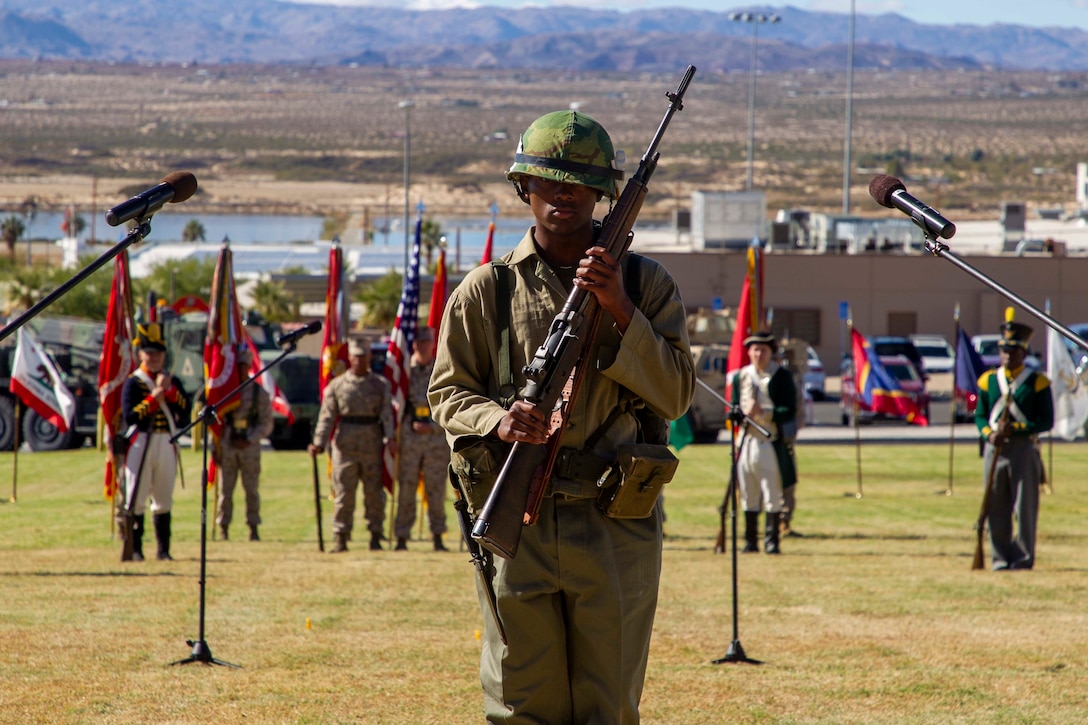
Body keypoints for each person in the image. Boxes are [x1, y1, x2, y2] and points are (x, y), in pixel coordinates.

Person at [429, 110, 695, 724]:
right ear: (525, 189)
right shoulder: (486, 289)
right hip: (517, 514)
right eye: (548, 183)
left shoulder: (645, 284)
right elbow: (446, 392)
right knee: (521, 702)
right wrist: (500, 420)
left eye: (576, 184)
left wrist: (619, 307)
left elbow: (677, 394)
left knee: (609, 703)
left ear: (602, 194)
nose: (562, 196)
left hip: (614, 521)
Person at [975, 312, 1053, 571]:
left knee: (1024, 507)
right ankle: (999, 557)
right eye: (1004, 350)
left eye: (1013, 350)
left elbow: (1045, 422)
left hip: (1023, 450)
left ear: (1023, 352)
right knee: (995, 506)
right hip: (995, 449)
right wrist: (989, 434)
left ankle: (1022, 557)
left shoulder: (1037, 383)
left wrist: (1016, 429)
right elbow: (980, 416)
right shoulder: (988, 381)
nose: (1008, 355)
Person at [308, 337, 395, 553]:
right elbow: (327, 416)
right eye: (356, 356)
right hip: (345, 445)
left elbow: (386, 414)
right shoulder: (337, 385)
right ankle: (341, 537)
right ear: (349, 358)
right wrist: (318, 442)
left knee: (374, 493)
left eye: (363, 356)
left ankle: (375, 534)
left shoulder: (380, 385)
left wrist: (391, 438)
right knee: (344, 493)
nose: (360, 360)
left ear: (369, 357)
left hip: (372, 444)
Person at [120, 322, 190, 561]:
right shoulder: (134, 382)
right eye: (149, 353)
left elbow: (186, 412)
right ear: (141, 354)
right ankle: (136, 549)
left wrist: (171, 394)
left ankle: (163, 550)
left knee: (163, 497)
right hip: (140, 442)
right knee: (137, 497)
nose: (154, 357)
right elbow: (130, 416)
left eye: (158, 353)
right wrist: (153, 398)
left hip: (166, 441)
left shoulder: (172, 381)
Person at [732, 331, 797, 555]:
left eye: (763, 350)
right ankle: (750, 540)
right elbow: (733, 409)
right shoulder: (741, 376)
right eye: (755, 349)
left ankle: (772, 541)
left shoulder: (781, 376)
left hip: (769, 441)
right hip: (745, 440)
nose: (759, 354)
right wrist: (740, 414)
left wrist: (765, 412)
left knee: (771, 493)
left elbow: (789, 410)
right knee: (748, 493)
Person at [393, 327, 451, 551]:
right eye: (420, 341)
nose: (424, 345)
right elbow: (397, 405)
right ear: (414, 344)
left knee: (435, 490)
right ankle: (401, 537)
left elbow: (448, 404)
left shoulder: (442, 369)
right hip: (410, 439)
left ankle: (437, 536)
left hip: (435, 440)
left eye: (428, 341)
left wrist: (434, 427)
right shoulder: (405, 372)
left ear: (433, 344)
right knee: (406, 489)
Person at [214, 345, 274, 542]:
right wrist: (218, 444)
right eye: (237, 365)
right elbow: (217, 420)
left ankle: (253, 526)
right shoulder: (225, 392)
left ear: (248, 365)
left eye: (243, 365)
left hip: (249, 447)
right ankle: (223, 527)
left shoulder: (258, 393)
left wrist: (250, 438)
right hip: (229, 445)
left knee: (251, 489)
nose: (240, 369)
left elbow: (267, 422)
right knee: (226, 491)